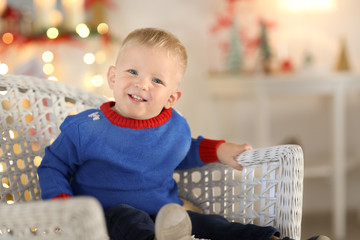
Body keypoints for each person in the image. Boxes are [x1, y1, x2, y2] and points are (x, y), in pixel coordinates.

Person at [37, 28, 329, 240]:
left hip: (167, 217)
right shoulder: (86, 127)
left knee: (214, 225)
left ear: (171, 97)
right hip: (105, 219)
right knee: (129, 218)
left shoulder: (174, 127)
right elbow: (53, 164)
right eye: (133, 72)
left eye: (157, 80)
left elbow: (184, 149)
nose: (142, 85)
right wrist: (63, 203)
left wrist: (219, 150)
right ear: (113, 77)